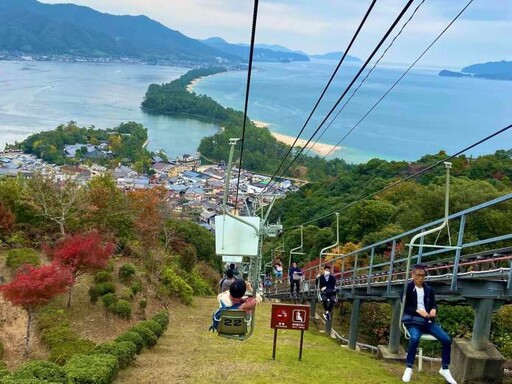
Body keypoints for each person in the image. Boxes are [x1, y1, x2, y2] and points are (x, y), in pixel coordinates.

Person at [401, 264, 457, 384]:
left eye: (423, 276)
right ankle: (409, 367)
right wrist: (417, 311)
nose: (420, 278)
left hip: (427, 322)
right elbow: (405, 307)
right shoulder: (407, 289)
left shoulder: (429, 289)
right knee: (415, 338)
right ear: (413, 275)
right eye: (418, 275)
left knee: (446, 339)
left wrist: (434, 310)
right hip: (413, 321)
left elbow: (433, 304)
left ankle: (445, 368)